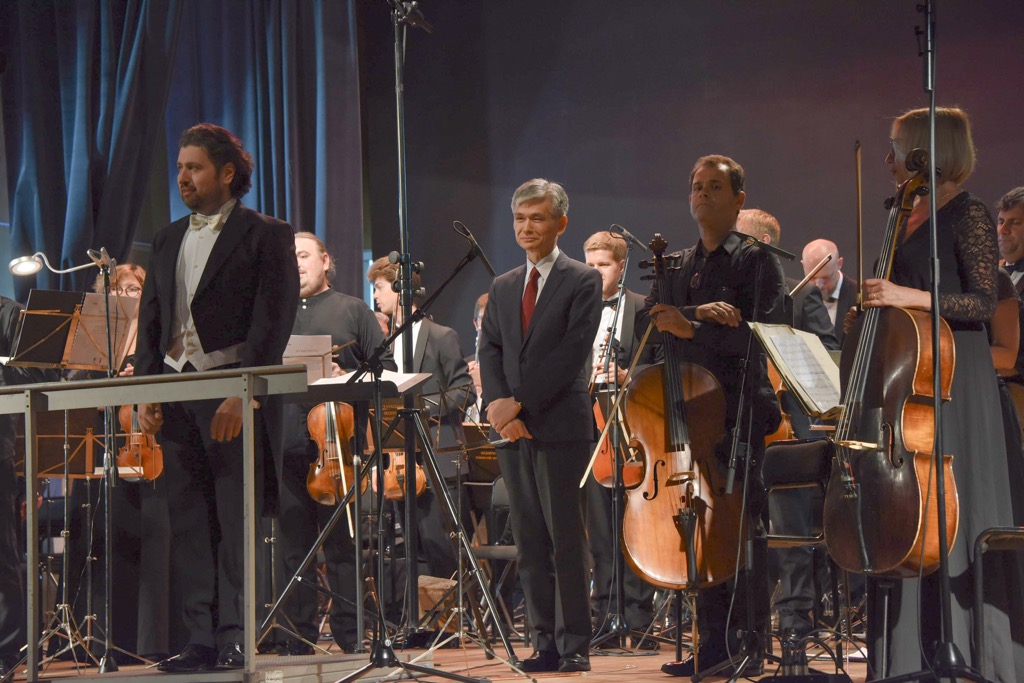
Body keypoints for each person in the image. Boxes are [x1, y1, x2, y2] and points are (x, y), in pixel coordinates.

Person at [860, 106, 1024, 681]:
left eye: (898, 146)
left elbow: (981, 301)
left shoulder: (969, 212)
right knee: (914, 513)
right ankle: (909, 656)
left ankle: (974, 655)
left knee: (958, 509)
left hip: (960, 380)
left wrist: (907, 296)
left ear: (930, 150)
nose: (888, 158)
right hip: (916, 380)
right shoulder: (903, 213)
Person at [134, 123, 299, 672]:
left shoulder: (265, 233)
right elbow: (152, 320)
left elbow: (273, 320)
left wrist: (245, 393)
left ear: (227, 173)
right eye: (180, 167)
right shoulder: (166, 238)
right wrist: (146, 392)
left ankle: (235, 634)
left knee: (234, 520)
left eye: (194, 167)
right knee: (188, 521)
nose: (182, 177)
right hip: (175, 391)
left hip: (231, 393)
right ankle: (199, 638)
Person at [638, 155, 785, 677]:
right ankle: (712, 646)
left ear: (738, 199)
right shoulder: (676, 265)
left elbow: (766, 334)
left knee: (739, 528)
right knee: (699, 527)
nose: (702, 193)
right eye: (697, 186)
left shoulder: (756, 261)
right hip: (688, 413)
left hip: (738, 411)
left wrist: (691, 329)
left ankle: (749, 642)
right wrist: (696, 314)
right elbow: (646, 323)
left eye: (715, 186)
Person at [478, 178, 602, 673]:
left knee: (565, 540)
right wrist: (497, 406)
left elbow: (572, 352)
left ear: (560, 223)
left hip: (560, 425)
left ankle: (574, 646)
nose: (527, 227)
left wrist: (520, 405)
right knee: (529, 542)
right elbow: (489, 349)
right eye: (520, 218)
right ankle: (544, 642)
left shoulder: (583, 279)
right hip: (512, 430)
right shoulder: (504, 284)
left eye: (538, 218)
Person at [272, 232, 394, 655]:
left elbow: (386, 370)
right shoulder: (274, 312)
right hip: (286, 446)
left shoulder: (353, 309)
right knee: (293, 549)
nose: (297, 262)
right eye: (291, 256)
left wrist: (350, 375)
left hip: (339, 449)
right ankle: (296, 635)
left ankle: (351, 632)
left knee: (343, 548)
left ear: (325, 261)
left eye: (304, 255)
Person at [736, 208, 837, 639]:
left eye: (738, 237)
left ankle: (796, 616)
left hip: (789, 431)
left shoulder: (800, 295)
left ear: (760, 243)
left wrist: (787, 364)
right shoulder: (733, 294)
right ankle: (747, 621)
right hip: (743, 425)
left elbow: (829, 352)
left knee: (790, 526)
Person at [367, 255, 475, 584]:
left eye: (379, 287)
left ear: (400, 289)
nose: (375, 296)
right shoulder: (384, 345)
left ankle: (454, 610)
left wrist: (421, 408)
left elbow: (464, 390)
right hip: (399, 463)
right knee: (411, 551)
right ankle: (422, 611)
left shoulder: (441, 335)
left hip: (437, 459)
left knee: (443, 548)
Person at [580, 230, 658, 649]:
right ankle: (605, 616)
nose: (594, 272)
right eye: (589, 265)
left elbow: (660, 363)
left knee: (634, 522)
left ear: (622, 267)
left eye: (603, 265)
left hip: (633, 426)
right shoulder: (575, 308)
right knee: (599, 528)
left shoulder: (642, 308)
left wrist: (629, 375)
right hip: (589, 425)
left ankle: (639, 617)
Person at [802, 238, 858, 346]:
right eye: (812, 278)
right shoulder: (797, 298)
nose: (819, 286)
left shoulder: (860, 297)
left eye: (826, 278)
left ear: (839, 263)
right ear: (803, 265)